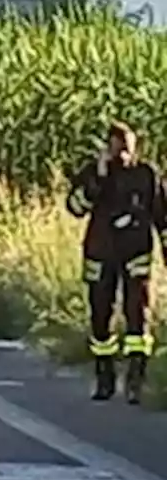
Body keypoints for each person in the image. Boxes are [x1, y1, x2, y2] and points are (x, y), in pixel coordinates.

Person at [66, 122, 167, 403]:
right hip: (100, 255)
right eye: (117, 148)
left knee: (137, 315)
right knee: (100, 317)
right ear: (107, 148)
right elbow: (75, 208)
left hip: (136, 254)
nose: (123, 154)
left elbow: (162, 217)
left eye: (127, 148)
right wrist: (97, 179)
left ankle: (136, 378)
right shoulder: (94, 173)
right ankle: (104, 375)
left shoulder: (146, 175)